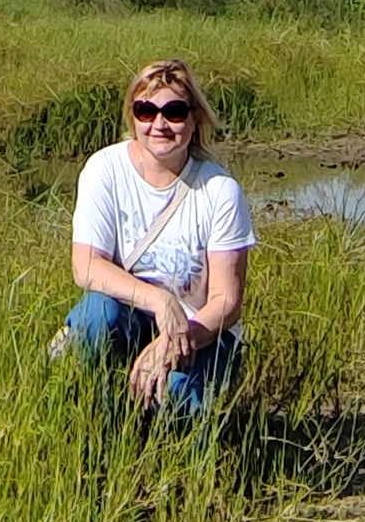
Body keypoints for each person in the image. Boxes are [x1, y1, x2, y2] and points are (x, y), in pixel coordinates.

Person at [59, 57, 253, 418]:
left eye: (175, 112)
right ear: (133, 118)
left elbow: (227, 302)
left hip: (199, 331)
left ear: (195, 120)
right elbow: (86, 266)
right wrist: (161, 301)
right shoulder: (105, 170)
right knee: (95, 314)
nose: (159, 124)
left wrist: (172, 344)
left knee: (175, 404)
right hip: (129, 318)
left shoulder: (220, 190)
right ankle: (102, 421)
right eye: (146, 111)